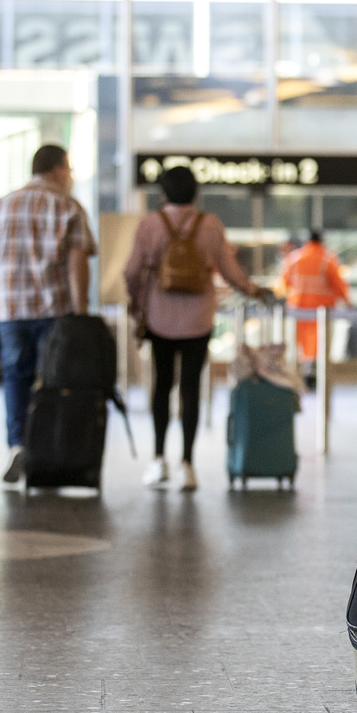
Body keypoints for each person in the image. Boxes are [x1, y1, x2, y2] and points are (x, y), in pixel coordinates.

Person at [126, 166, 266, 491]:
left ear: (163, 193)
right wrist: (252, 289)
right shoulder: (210, 225)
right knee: (190, 388)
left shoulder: (150, 224)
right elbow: (230, 271)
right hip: (198, 319)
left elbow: (132, 271)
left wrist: (137, 301)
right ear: (195, 193)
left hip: (159, 317)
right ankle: (187, 465)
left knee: (161, 386)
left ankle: (158, 459)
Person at [0, 144, 97, 483]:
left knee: (15, 375)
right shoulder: (67, 205)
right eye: (68, 170)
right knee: (55, 379)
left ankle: (18, 445)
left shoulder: (2, 204)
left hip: (8, 309)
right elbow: (78, 260)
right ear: (57, 169)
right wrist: (80, 312)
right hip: (53, 307)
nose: (69, 178)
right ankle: (49, 450)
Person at [279, 230, 350, 385]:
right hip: (322, 311)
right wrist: (347, 302)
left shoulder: (294, 259)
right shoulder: (328, 260)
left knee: (300, 345)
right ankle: (315, 375)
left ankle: (298, 377)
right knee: (319, 345)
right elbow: (338, 285)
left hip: (298, 310)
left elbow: (284, 283)